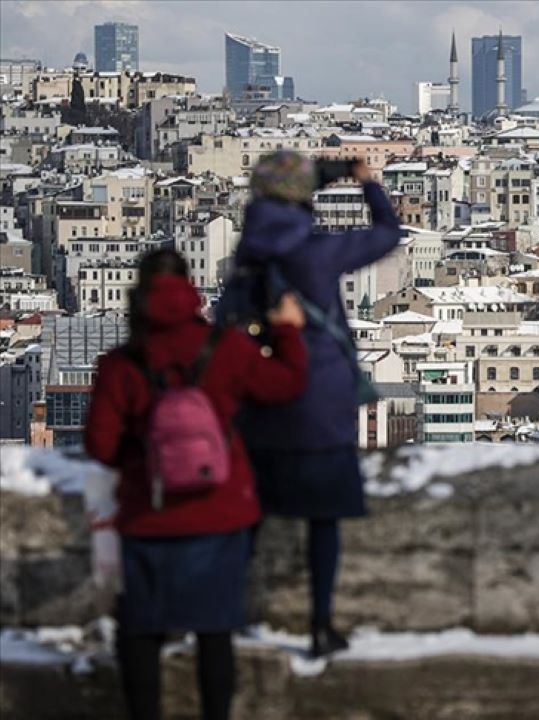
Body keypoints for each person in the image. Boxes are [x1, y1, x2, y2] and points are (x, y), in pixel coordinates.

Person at [85, 249, 308, 720]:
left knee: (140, 631)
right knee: (214, 631)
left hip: (150, 514)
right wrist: (287, 329)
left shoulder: (122, 363)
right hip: (220, 511)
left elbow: (101, 447)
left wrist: (146, 456)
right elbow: (285, 385)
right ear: (189, 289)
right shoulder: (223, 347)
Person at [234, 151, 401, 658]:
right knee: (322, 522)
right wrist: (364, 183)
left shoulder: (248, 251)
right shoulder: (315, 251)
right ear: (305, 194)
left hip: (261, 400)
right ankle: (320, 626)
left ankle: (231, 614)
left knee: (248, 518)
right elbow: (388, 233)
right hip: (320, 402)